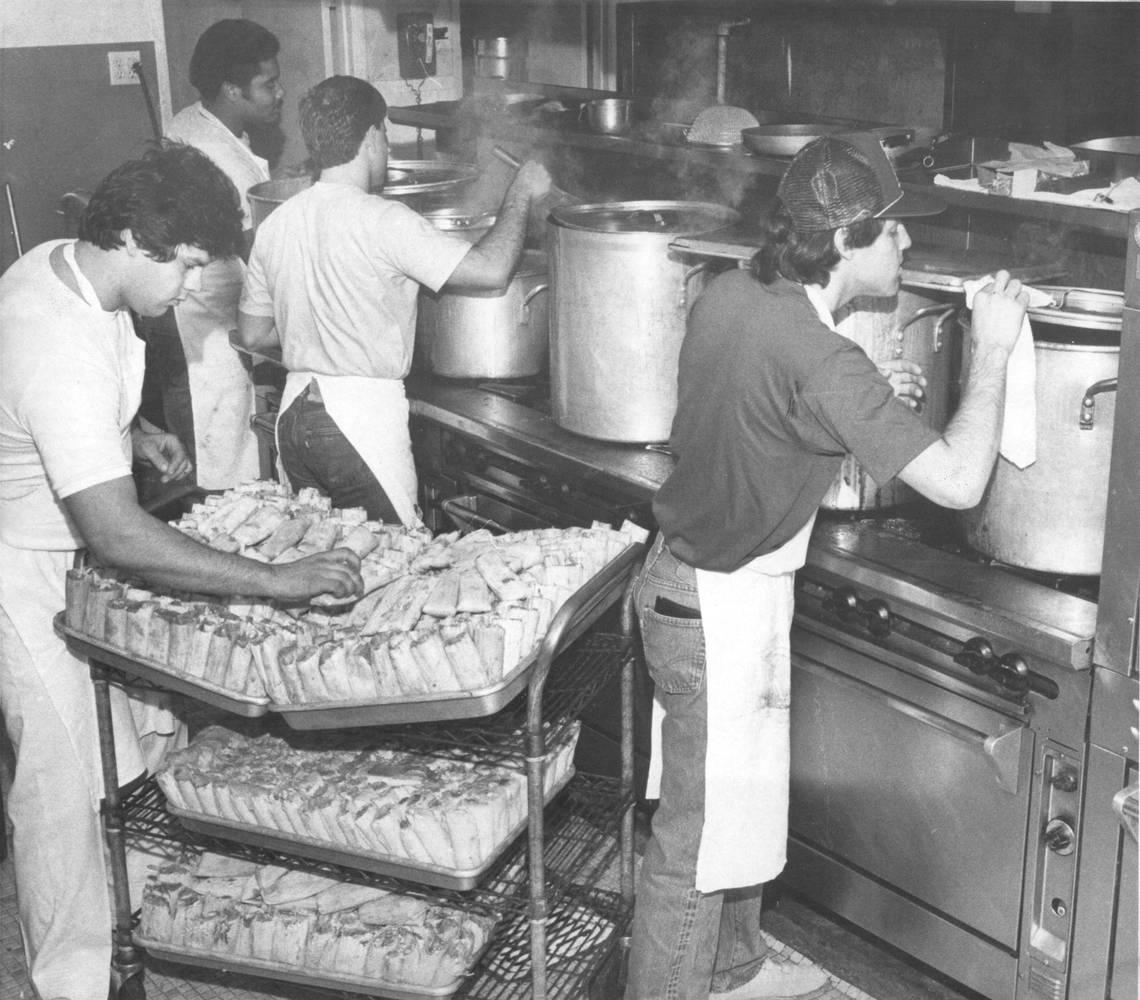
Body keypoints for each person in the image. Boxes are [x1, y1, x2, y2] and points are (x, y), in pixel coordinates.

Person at [624, 132, 1030, 1000]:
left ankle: (731, 972)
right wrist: (991, 352)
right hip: (712, 605)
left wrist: (868, 394)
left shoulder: (737, 291)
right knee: (691, 845)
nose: (908, 246)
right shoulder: (821, 360)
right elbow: (958, 484)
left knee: (736, 810)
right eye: (892, 232)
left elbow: (769, 390)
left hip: (698, 583)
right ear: (845, 241)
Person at [0, 141, 362, 1000]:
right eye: (188, 266)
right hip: (18, 571)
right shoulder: (51, 341)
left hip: (67, 550)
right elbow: (119, 533)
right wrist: (277, 578)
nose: (194, 287)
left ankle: (146, 925)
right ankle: (73, 980)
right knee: (65, 787)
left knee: (138, 739)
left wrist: (127, 438)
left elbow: (55, 425)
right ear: (132, 238)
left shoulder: (64, 266)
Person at [236, 75, 551, 526]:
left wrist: (317, 325)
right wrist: (520, 191)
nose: (386, 148)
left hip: (294, 418)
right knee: (393, 566)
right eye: (384, 135)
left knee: (322, 563)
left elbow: (253, 332)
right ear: (371, 136)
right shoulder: (385, 220)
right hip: (360, 424)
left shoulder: (278, 223)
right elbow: (491, 270)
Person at [148, 18, 286, 491]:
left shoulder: (194, 119)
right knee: (214, 459)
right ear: (232, 89)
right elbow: (262, 253)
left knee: (219, 444)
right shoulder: (216, 153)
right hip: (201, 328)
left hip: (196, 314)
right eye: (268, 84)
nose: (280, 92)